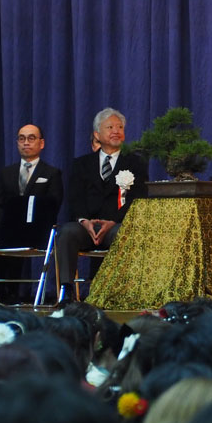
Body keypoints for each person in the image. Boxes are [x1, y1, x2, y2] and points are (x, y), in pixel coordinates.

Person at [56, 108, 148, 304]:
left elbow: (137, 200)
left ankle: (115, 291)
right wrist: (84, 221)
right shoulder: (81, 163)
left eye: (120, 127)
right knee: (66, 233)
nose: (116, 130)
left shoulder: (136, 163)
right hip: (86, 226)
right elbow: (75, 197)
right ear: (97, 134)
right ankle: (66, 289)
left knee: (122, 233)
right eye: (110, 127)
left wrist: (113, 221)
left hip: (115, 224)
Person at [0, 124, 63, 303]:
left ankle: (18, 293)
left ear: (41, 143)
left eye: (31, 138)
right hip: (7, 232)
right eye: (22, 138)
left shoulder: (51, 173)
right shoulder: (5, 173)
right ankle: (5, 294)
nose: (26, 142)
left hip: (37, 232)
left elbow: (54, 205)